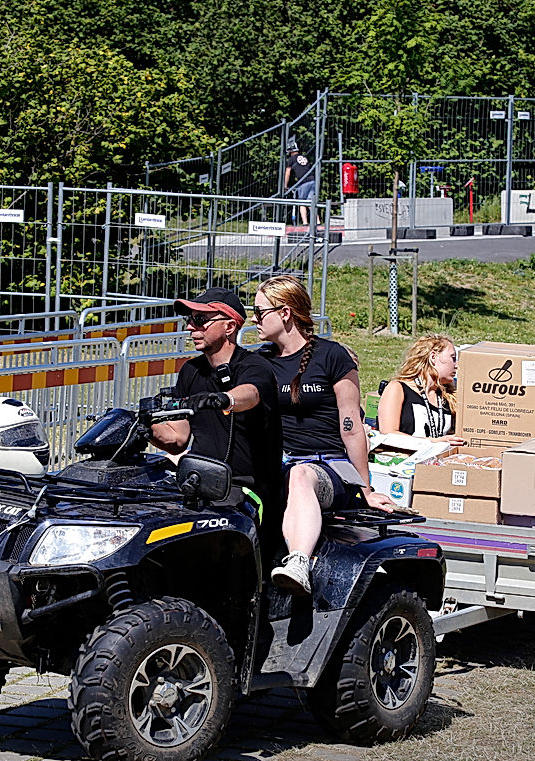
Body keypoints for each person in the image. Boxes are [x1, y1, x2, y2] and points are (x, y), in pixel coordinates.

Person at [254, 275, 395, 594]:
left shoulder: (332, 357)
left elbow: (352, 427)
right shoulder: (261, 362)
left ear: (285, 313)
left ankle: (299, 562)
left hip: (328, 470)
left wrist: (366, 489)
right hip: (278, 467)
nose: (254, 318)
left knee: (301, 475)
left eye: (260, 311)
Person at [151, 287, 282, 524]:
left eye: (200, 320)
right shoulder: (191, 370)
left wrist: (224, 399)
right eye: (189, 319)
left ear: (229, 327)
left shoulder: (254, 367)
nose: (191, 327)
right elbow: (177, 439)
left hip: (245, 490)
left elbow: (250, 394)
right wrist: (143, 428)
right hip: (198, 482)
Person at [377, 334, 465, 445]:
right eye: (453, 358)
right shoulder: (397, 388)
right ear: (433, 357)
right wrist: (434, 442)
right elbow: (388, 434)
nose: (456, 365)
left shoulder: (447, 396)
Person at [284, 139, 318, 230]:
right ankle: (317, 221)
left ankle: (305, 223)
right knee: (311, 202)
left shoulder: (291, 159)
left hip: (303, 182)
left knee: (302, 202)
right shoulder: (304, 157)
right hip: (312, 180)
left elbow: (288, 172)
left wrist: (285, 185)